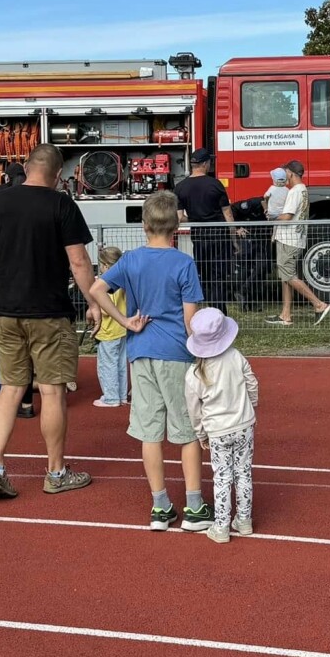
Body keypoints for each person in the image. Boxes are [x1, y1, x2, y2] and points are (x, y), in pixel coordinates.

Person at [0, 144, 97, 500]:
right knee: (52, 390)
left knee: (10, 389)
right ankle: (56, 471)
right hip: (49, 310)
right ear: (59, 175)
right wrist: (93, 301)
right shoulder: (61, 204)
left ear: (27, 167)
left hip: (6, 310)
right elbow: (78, 261)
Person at [90, 190, 212, 531]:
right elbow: (191, 319)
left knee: (149, 432)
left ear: (144, 225)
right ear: (176, 226)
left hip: (141, 352)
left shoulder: (130, 260)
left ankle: (160, 506)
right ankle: (194, 505)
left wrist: (125, 320)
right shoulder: (183, 262)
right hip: (176, 352)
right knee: (187, 431)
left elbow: (96, 288)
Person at [185, 307, 259, 543]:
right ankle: (244, 520)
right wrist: (251, 406)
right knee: (243, 472)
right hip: (244, 424)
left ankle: (221, 526)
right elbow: (252, 384)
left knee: (222, 476)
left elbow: (194, 410)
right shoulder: (236, 357)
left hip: (217, 431)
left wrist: (201, 434)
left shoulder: (194, 373)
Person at [176, 148, 246, 314]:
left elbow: (179, 217)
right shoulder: (215, 184)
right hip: (219, 238)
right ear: (205, 164)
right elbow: (228, 214)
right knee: (219, 278)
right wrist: (235, 240)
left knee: (205, 276)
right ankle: (219, 313)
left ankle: (207, 314)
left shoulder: (180, 187)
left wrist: (196, 219)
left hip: (199, 238)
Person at [266, 160, 330, 327]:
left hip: (289, 238)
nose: (285, 176)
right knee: (285, 276)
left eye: (286, 172)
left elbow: (287, 216)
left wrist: (272, 217)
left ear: (290, 173)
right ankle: (285, 315)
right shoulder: (303, 190)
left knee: (288, 274)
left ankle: (318, 304)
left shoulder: (295, 191)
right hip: (295, 237)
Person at [93, 245, 129, 408]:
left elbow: (108, 307)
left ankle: (111, 397)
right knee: (121, 364)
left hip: (109, 331)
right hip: (122, 329)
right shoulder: (123, 279)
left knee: (107, 364)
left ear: (106, 265)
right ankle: (121, 396)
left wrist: (95, 309)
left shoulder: (107, 283)